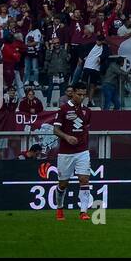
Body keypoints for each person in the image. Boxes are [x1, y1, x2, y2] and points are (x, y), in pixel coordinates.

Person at [51, 83, 96, 221]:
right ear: (73, 93)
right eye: (79, 94)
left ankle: (83, 212)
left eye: (84, 95)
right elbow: (55, 130)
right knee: (63, 184)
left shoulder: (87, 111)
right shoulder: (63, 109)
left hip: (82, 151)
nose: (82, 97)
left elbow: (86, 129)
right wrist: (67, 137)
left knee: (84, 179)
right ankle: (59, 208)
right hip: (65, 152)